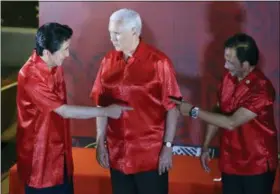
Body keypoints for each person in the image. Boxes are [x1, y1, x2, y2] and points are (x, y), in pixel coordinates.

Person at [16, 22, 132, 194]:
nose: (67, 54)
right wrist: (106, 111)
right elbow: (63, 110)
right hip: (40, 160)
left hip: (59, 153)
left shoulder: (56, 67)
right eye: (64, 49)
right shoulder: (30, 76)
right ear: (47, 52)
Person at [170, 33, 278, 194]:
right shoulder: (228, 78)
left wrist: (193, 111)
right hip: (230, 162)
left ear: (246, 64)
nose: (226, 66)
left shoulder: (261, 89)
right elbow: (218, 112)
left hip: (257, 165)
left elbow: (231, 122)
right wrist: (205, 146)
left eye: (230, 61)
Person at [90, 8, 182, 194]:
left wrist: (168, 147)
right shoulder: (108, 60)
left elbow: (172, 108)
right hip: (117, 155)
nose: (112, 38)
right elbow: (101, 104)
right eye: (110, 33)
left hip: (150, 157)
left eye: (116, 33)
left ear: (134, 31)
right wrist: (101, 141)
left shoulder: (159, 63)